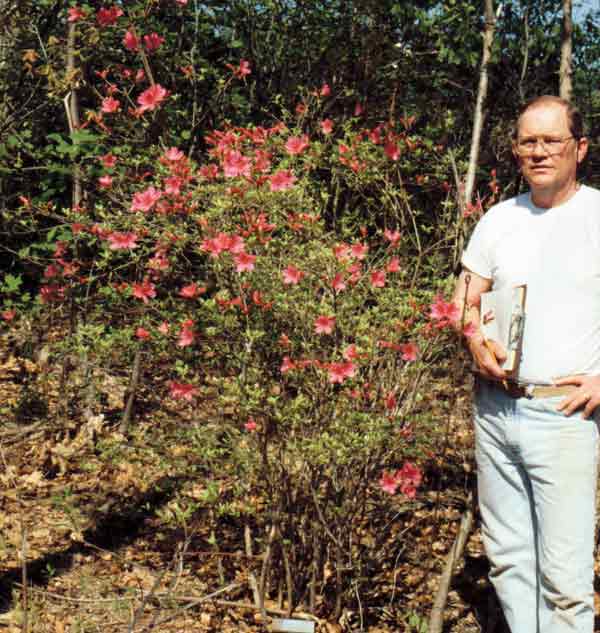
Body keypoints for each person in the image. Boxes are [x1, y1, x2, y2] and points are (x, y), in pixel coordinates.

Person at [452, 94, 600, 633]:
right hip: (495, 411)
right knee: (510, 561)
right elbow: (464, 301)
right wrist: (474, 343)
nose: (538, 152)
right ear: (515, 150)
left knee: (565, 579)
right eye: (527, 142)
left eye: (551, 140)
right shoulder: (499, 221)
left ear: (579, 148)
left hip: (564, 414)